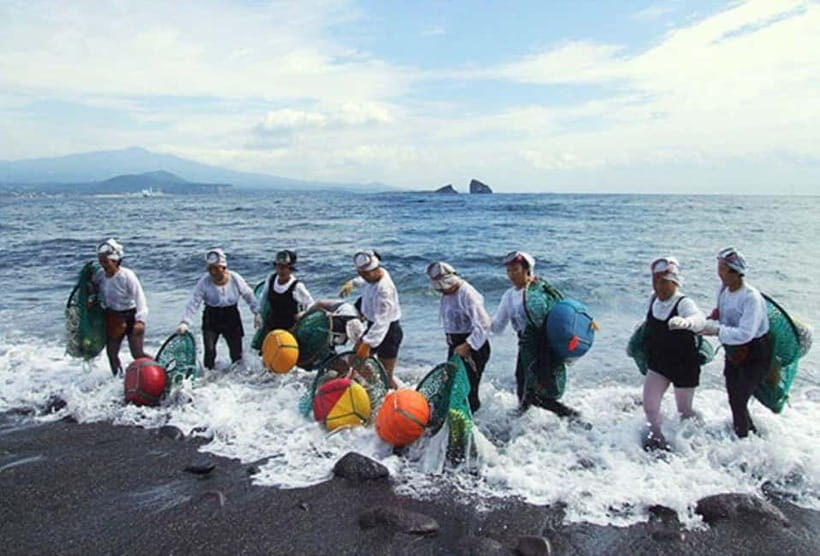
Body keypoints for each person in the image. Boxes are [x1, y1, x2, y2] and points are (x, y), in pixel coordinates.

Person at [491, 250, 579, 418]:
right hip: (525, 346)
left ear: (527, 270)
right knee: (521, 381)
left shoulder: (541, 292)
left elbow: (561, 316)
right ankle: (522, 417)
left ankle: (570, 414)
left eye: (515, 270)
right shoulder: (509, 296)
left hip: (545, 346)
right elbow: (497, 327)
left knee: (538, 392)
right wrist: (478, 320)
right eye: (508, 271)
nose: (511, 275)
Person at [701, 247, 770, 439]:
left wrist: (715, 330)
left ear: (735, 272)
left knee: (740, 399)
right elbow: (723, 314)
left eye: (722, 269)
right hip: (734, 351)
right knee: (734, 398)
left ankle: (745, 441)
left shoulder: (751, 298)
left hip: (756, 352)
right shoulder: (723, 289)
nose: (719, 273)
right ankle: (751, 435)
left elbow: (745, 334)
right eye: (719, 268)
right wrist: (712, 319)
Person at [640, 257, 707, 451]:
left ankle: (698, 436)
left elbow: (699, 319)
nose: (658, 286)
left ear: (674, 282)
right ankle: (658, 440)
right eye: (655, 280)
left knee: (684, 411)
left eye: (662, 281)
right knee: (650, 406)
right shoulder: (653, 299)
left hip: (684, 364)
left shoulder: (684, 303)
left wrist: (686, 323)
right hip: (659, 362)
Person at [176, 248, 261, 370]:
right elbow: (194, 302)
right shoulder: (204, 282)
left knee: (236, 353)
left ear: (224, 268)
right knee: (210, 352)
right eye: (210, 269)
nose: (213, 272)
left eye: (216, 269)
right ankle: (209, 378)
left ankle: (238, 379)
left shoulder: (235, 279)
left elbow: (248, 295)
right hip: (211, 316)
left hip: (231, 316)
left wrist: (256, 312)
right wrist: (185, 322)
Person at [426, 261, 491, 413]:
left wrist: (467, 345)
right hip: (456, 347)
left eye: (443, 287)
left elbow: (484, 324)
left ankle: (472, 423)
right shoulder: (448, 294)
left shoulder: (467, 294)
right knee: (451, 385)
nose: (441, 291)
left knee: (468, 390)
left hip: (473, 348)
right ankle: (455, 417)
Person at [339, 250, 403, 389]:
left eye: (366, 274)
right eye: (361, 274)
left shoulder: (384, 290)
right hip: (372, 326)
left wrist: (367, 344)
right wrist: (351, 283)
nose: (364, 277)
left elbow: (382, 322)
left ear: (375, 269)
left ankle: (394, 394)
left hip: (389, 332)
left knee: (386, 375)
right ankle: (377, 386)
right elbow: (363, 280)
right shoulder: (374, 275)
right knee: (354, 360)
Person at [92, 238, 150, 376]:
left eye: (106, 262)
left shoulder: (126, 276)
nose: (103, 265)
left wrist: (141, 320)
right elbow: (93, 289)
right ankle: (119, 379)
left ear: (116, 261)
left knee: (137, 353)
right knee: (111, 353)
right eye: (101, 262)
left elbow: (139, 298)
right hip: (113, 318)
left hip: (130, 316)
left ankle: (158, 371)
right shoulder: (100, 275)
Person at [258, 250, 314, 337]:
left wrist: (303, 313)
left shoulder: (297, 286)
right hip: (272, 327)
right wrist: (258, 315)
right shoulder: (271, 279)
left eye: (284, 267)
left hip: (291, 329)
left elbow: (311, 304)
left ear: (291, 269)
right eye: (278, 267)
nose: (281, 271)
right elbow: (263, 299)